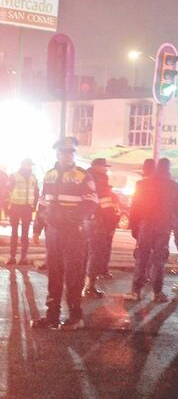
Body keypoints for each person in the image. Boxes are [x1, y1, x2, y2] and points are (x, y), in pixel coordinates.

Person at [31, 137, 97, 331]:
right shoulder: (49, 175)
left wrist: (72, 217)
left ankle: (75, 317)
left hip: (73, 232)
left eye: (72, 152)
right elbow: (42, 203)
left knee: (74, 275)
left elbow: (92, 202)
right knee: (54, 274)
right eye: (65, 152)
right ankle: (52, 316)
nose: (68, 155)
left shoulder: (83, 176)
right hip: (53, 233)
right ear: (58, 153)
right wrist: (37, 228)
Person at [124, 157, 178, 303]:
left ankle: (136, 291)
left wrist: (133, 227)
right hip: (163, 226)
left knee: (142, 258)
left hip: (146, 225)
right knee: (159, 259)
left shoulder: (142, 184)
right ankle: (157, 293)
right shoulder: (174, 187)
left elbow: (135, 208)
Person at [83, 159, 120, 297]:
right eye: (104, 167)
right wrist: (112, 221)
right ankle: (89, 287)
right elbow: (105, 204)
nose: (106, 170)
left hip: (87, 220)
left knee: (86, 252)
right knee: (97, 252)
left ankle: (81, 281)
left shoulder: (85, 178)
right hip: (98, 221)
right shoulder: (100, 180)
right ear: (97, 167)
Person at [5, 158, 40, 266]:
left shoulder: (33, 177)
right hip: (15, 207)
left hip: (27, 208)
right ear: (22, 165)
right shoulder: (14, 176)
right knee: (14, 233)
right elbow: (7, 192)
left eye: (30, 165)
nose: (29, 167)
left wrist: (34, 206)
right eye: (27, 165)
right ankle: (12, 257)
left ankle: (23, 257)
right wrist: (7, 208)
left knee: (25, 233)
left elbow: (36, 192)